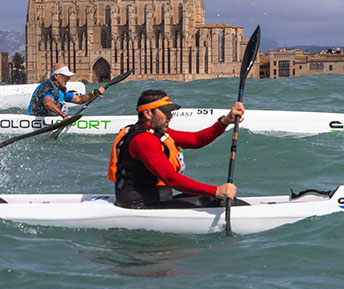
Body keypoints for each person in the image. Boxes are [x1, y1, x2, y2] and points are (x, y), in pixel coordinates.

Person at [107, 89, 246, 209]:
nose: (171, 116)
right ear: (148, 114)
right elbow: (171, 178)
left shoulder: (157, 133)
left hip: (157, 198)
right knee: (215, 200)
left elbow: (197, 140)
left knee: (211, 198)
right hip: (140, 205)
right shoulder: (143, 140)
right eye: (166, 112)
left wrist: (225, 121)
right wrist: (216, 190)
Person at [27, 63, 105, 118]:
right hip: (36, 119)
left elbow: (79, 99)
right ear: (56, 76)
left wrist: (94, 93)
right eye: (65, 76)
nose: (68, 78)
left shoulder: (59, 90)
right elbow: (48, 103)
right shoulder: (47, 87)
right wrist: (63, 116)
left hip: (52, 118)